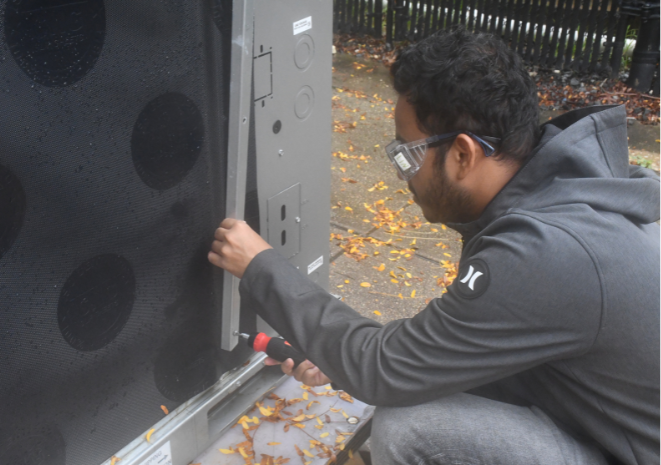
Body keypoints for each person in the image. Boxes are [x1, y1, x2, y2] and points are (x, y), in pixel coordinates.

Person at [208, 28, 659, 465]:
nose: (403, 174)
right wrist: (338, 355)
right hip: (608, 423)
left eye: (407, 154)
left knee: (410, 427)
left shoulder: (549, 251)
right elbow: (457, 345)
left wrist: (259, 265)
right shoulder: (570, 190)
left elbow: (383, 368)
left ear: (463, 154)